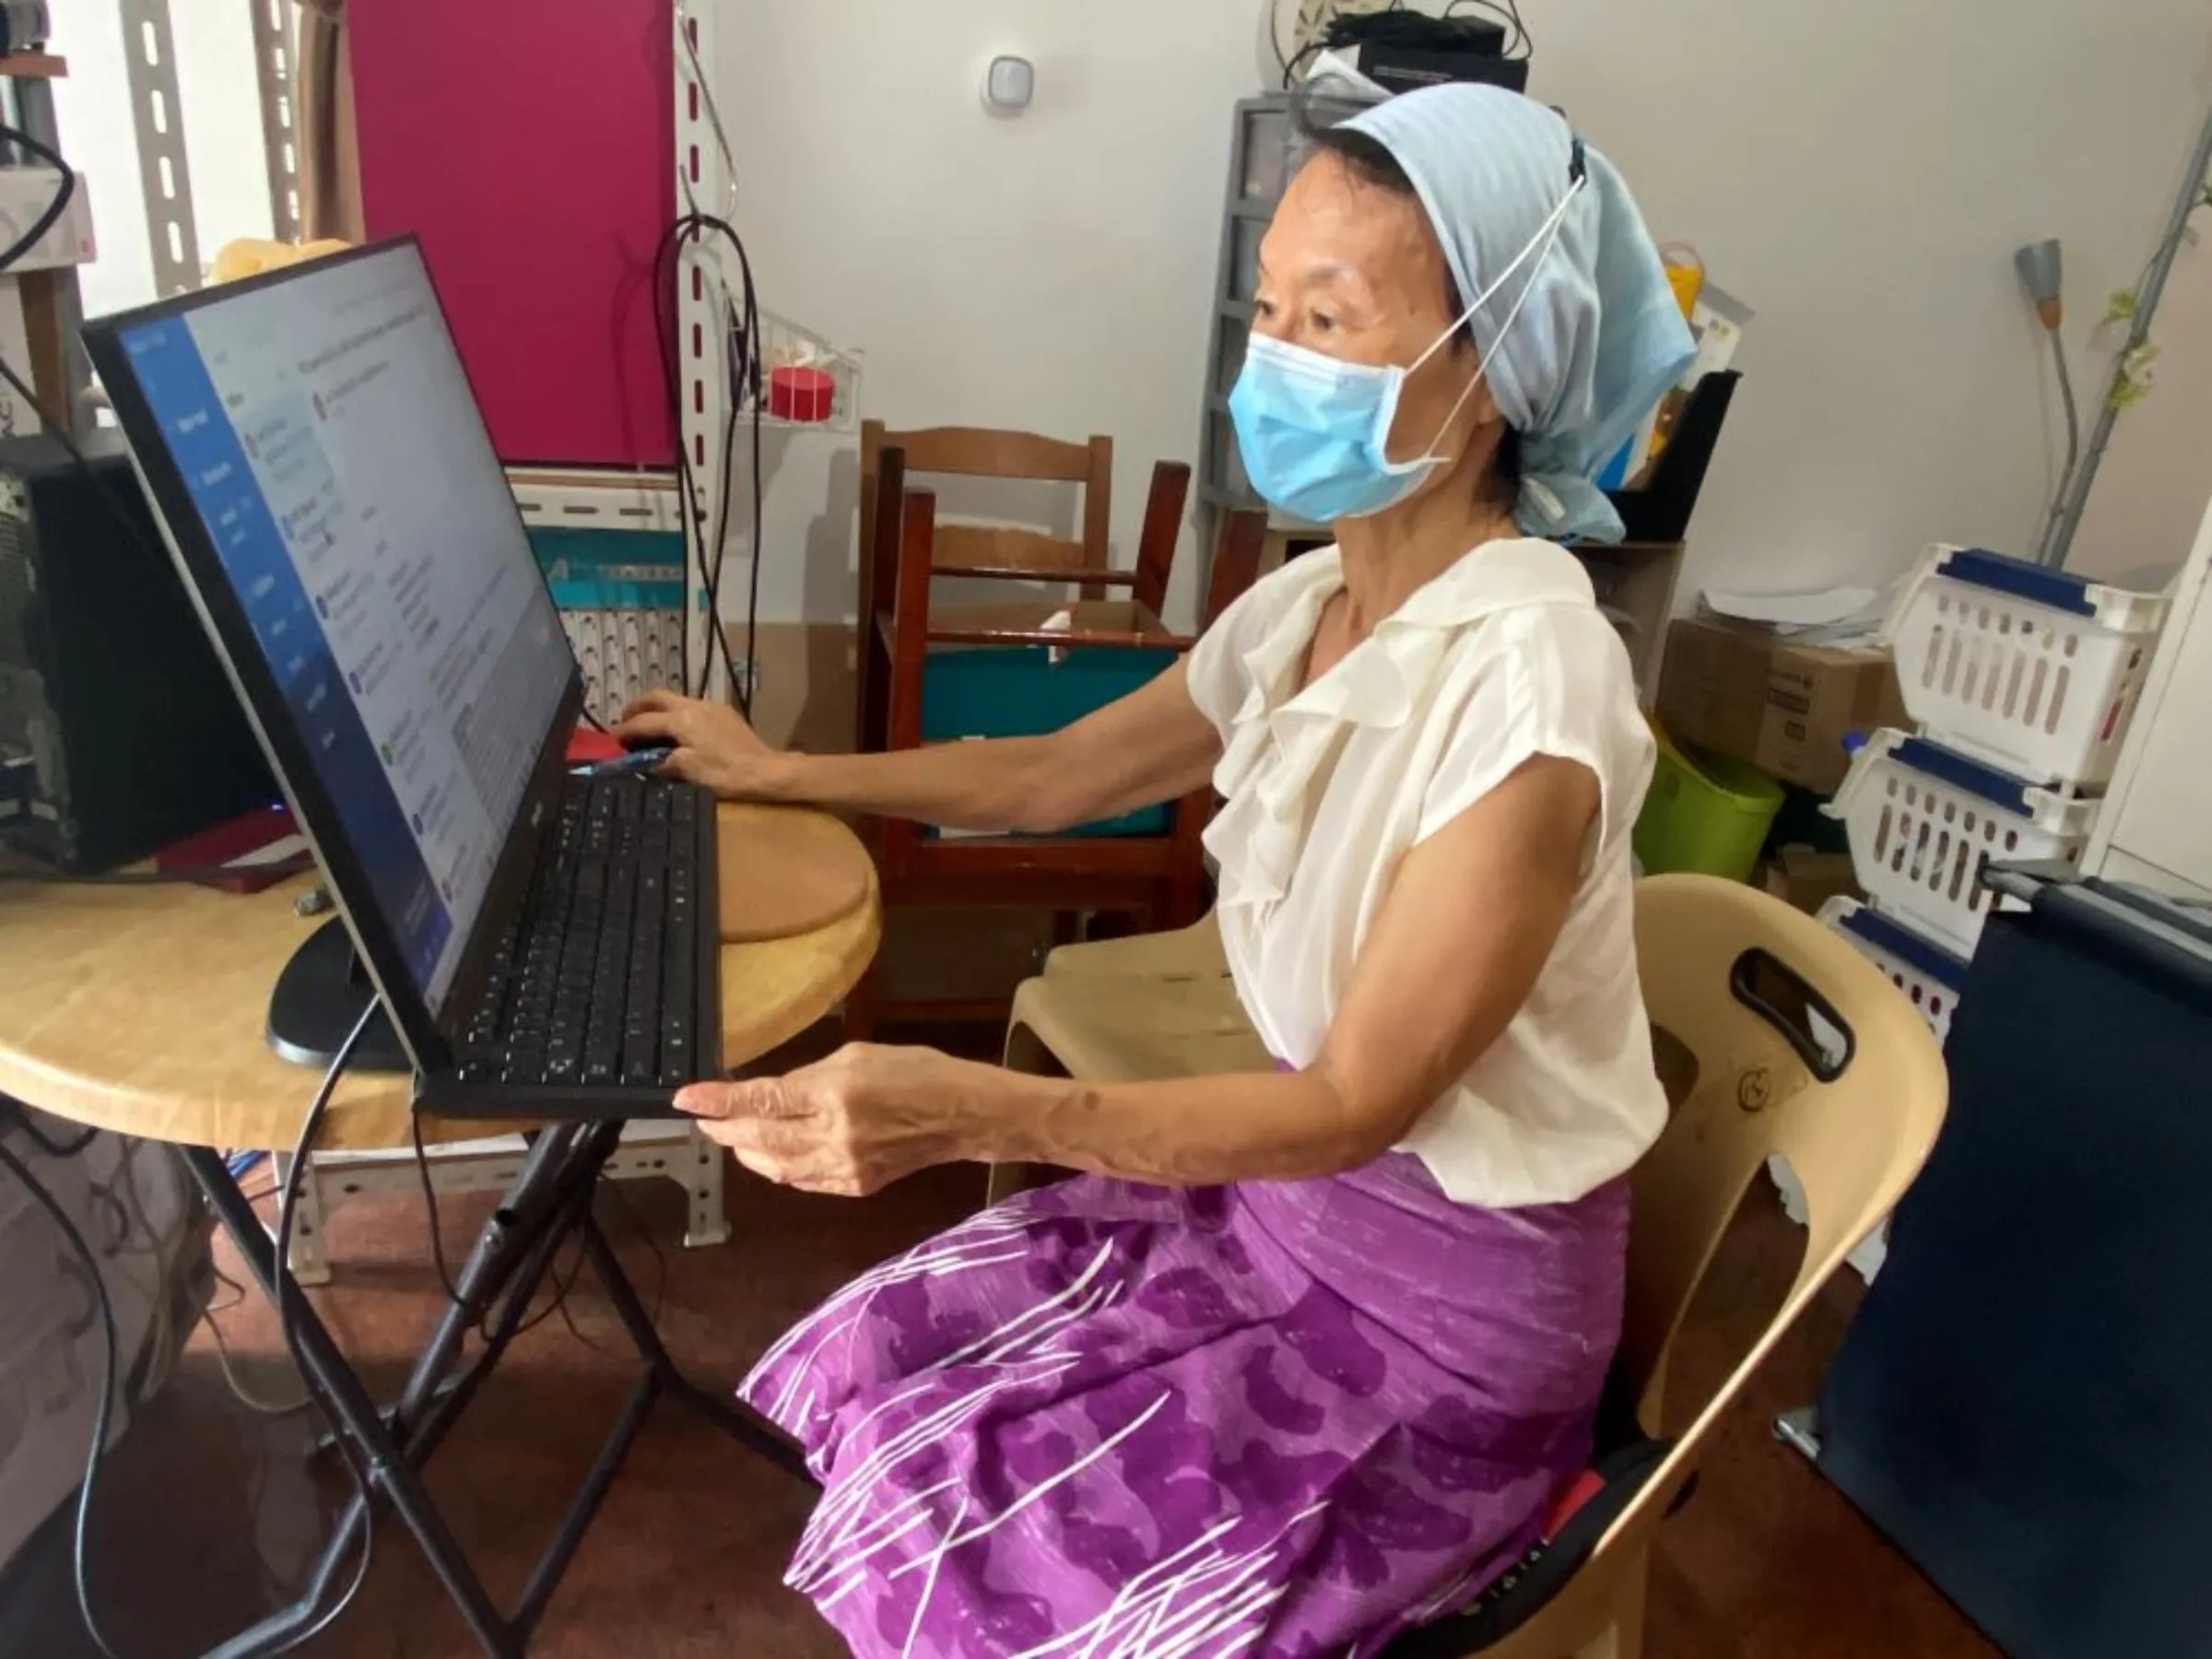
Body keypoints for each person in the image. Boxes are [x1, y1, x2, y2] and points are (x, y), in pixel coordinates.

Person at [623, 81, 1695, 1659]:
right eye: (1268, 309)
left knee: (976, 1564)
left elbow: (1352, 1106)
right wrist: (785, 766)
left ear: (1483, 372)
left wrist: (976, 1109)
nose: (1270, 361)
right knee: (869, 1368)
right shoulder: (1308, 610)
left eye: (1328, 318)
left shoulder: (1531, 688)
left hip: (1439, 1337)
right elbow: (1053, 769)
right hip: (1276, 1215)